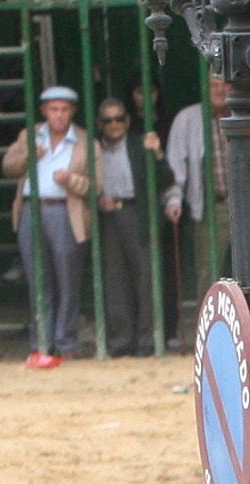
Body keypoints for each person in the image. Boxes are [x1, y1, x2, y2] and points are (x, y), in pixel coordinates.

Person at [4, 85, 91, 367]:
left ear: (72, 112)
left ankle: (64, 344)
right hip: (32, 209)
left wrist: (71, 181)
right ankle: (41, 343)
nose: (59, 115)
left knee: (67, 281)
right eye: (54, 109)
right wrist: (31, 155)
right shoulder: (29, 136)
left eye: (65, 110)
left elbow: (96, 185)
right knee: (38, 281)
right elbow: (8, 167)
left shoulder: (84, 141)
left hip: (65, 210)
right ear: (44, 111)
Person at [161, 74, 233, 347]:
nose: (220, 90)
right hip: (211, 207)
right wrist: (174, 199)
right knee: (209, 277)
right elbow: (176, 166)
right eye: (214, 84)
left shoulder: (244, 112)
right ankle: (211, 338)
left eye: (225, 84)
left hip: (244, 206)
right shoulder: (188, 119)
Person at [89, 96, 154, 357]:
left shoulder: (141, 145)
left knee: (145, 277)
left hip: (135, 211)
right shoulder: (93, 149)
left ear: (127, 120)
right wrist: (96, 199)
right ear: (99, 123)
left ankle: (148, 339)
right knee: (114, 280)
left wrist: (157, 153)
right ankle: (120, 341)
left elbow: (163, 177)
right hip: (106, 216)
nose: (114, 124)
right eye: (108, 120)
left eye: (119, 118)